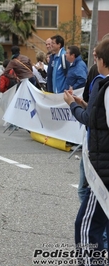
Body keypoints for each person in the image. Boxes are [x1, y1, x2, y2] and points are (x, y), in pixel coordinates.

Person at [65, 38, 109, 265]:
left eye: (96, 58)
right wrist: (83, 105)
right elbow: (97, 118)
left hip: (104, 171)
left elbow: (94, 121)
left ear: (102, 61)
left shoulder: (106, 86)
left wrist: (72, 105)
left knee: (86, 226)